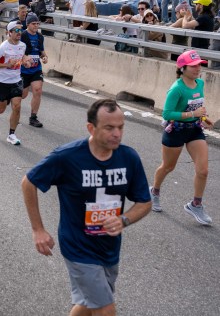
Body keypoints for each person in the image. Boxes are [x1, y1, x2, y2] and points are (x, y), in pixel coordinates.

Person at [21, 99, 151, 316]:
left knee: (88, 304)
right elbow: (29, 182)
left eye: (120, 127)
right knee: (106, 309)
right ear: (91, 128)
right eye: (109, 128)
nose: (117, 134)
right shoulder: (68, 157)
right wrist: (38, 230)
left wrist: (123, 219)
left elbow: (145, 202)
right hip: (78, 247)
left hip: (109, 248)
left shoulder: (128, 158)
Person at [150, 50, 214, 225]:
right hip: (176, 130)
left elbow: (196, 105)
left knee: (203, 170)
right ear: (182, 68)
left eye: (199, 65)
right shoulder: (177, 89)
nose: (197, 69)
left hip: (194, 130)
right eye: (193, 66)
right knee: (168, 167)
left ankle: (196, 205)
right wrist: (193, 113)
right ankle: (154, 191)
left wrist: (202, 117)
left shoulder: (200, 83)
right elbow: (167, 113)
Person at [0, 20, 31, 145]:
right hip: (2, 82)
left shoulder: (23, 45)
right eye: (17, 30)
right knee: (1, 109)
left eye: (21, 30)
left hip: (16, 80)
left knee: (17, 106)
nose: (20, 33)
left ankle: (11, 135)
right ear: (10, 32)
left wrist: (26, 61)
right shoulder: (4, 46)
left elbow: (22, 57)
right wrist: (7, 64)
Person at [21, 13, 48, 128]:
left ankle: (33, 118)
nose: (36, 26)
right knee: (22, 95)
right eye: (34, 24)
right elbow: (16, 50)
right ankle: (15, 110)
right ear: (28, 24)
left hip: (36, 69)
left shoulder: (40, 37)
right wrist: (24, 59)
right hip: (23, 70)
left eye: (37, 23)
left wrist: (45, 57)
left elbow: (41, 51)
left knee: (37, 90)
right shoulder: (22, 35)